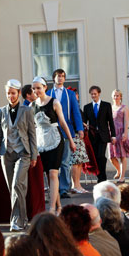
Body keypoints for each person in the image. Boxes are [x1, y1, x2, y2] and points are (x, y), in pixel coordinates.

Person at [0, 79, 37, 232]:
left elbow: (32, 134)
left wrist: (34, 155)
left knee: (17, 184)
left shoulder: (27, 111)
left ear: (18, 93)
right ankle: (23, 219)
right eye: (8, 93)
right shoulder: (1, 111)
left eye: (13, 93)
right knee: (15, 188)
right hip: (6, 154)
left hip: (23, 153)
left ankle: (16, 220)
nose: (10, 96)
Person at [31, 76, 76, 214]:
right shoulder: (31, 106)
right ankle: (58, 205)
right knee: (47, 174)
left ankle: (51, 208)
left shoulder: (54, 102)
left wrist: (71, 140)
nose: (36, 90)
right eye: (34, 88)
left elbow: (63, 122)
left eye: (38, 87)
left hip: (56, 139)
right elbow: (31, 127)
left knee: (53, 173)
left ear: (45, 87)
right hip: (41, 141)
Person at [46, 69, 84, 198]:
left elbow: (76, 112)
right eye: (58, 76)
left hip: (67, 131)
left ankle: (63, 189)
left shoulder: (70, 94)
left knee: (65, 161)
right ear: (54, 78)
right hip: (52, 132)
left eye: (62, 76)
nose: (60, 78)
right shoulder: (48, 93)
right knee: (53, 161)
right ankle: (54, 187)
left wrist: (80, 129)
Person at [83, 85, 116, 182]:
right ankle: (100, 177)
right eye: (92, 94)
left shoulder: (106, 105)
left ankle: (103, 177)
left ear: (99, 93)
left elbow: (111, 121)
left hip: (103, 135)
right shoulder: (87, 107)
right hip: (92, 136)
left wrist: (113, 135)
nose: (93, 96)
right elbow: (85, 121)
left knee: (101, 156)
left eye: (95, 94)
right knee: (96, 157)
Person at [108, 89, 129, 183]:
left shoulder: (124, 108)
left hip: (121, 132)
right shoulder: (110, 108)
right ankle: (118, 170)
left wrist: (125, 133)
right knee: (111, 156)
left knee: (122, 156)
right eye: (114, 95)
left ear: (120, 97)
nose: (116, 97)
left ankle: (122, 177)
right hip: (112, 133)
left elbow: (126, 121)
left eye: (117, 95)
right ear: (112, 97)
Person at [67, 87, 90, 193]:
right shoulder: (69, 107)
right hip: (73, 135)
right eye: (76, 95)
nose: (77, 97)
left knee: (80, 162)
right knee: (75, 162)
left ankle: (78, 184)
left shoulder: (76, 107)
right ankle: (74, 185)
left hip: (79, 136)